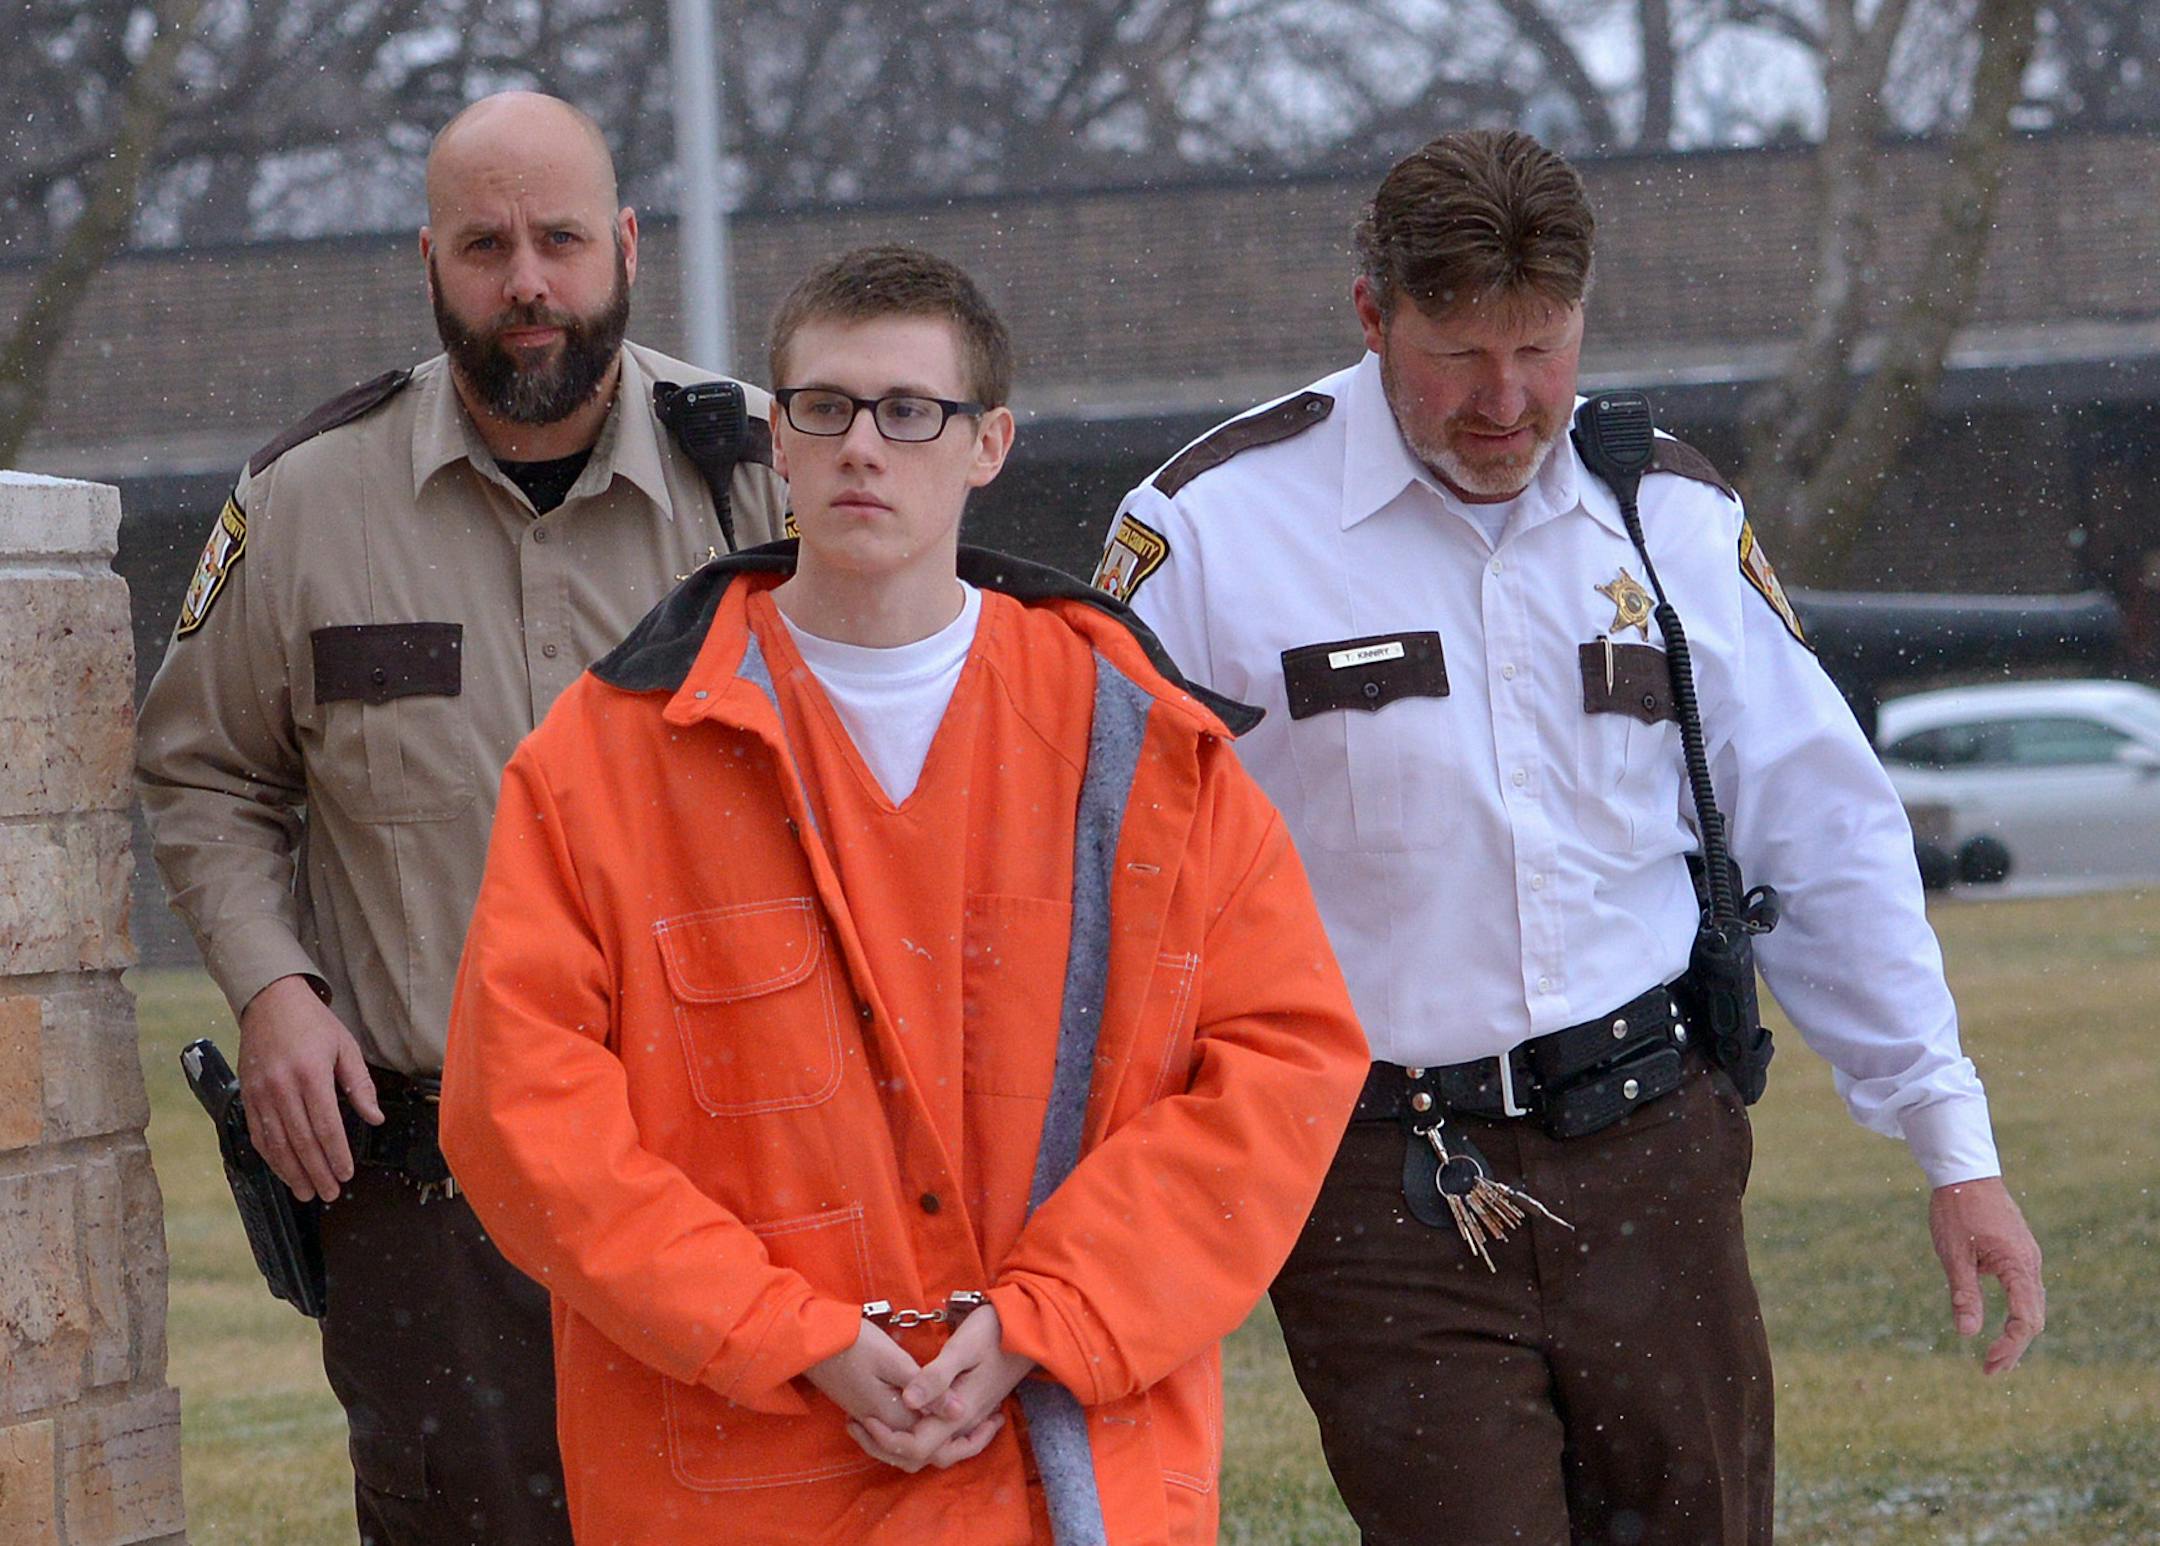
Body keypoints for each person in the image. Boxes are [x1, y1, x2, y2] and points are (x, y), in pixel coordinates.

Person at [1094, 128, 2046, 1545]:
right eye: (1460, 355)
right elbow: (1096, 876)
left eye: (1542, 349)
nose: (1508, 401)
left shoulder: (1667, 512)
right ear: (1371, 316)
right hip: (1377, 1182)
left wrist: (1951, 1145)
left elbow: (1822, 832)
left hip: (1656, 1153)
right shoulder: (1212, 530)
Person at [438, 244, 1369, 1545]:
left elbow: (1284, 1064)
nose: (863, 447)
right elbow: (520, 1115)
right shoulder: (601, 762)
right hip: (740, 1481)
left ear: (989, 443)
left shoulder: (1142, 748)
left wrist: (1052, 1316)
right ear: (777, 437)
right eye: (825, 407)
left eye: (910, 411)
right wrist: (783, 1332)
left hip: (1059, 1472)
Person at [135, 91, 786, 1545]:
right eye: (486, 247)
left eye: (561, 239)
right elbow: (205, 773)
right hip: (434, 1185)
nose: (528, 283)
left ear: (627, 246)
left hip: (730, 1160)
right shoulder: (306, 500)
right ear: (429, 262)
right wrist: (275, 990)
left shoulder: (767, 472)